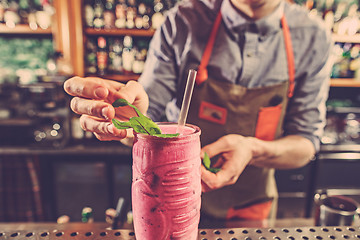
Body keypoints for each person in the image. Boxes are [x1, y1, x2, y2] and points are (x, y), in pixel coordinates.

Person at [64, 0, 333, 223]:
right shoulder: (183, 22)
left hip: (249, 209)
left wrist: (253, 149)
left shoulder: (313, 36)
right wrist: (129, 120)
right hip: (169, 201)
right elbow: (143, 119)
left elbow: (306, 143)